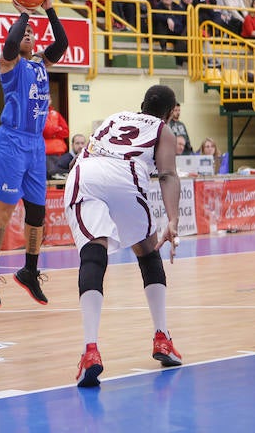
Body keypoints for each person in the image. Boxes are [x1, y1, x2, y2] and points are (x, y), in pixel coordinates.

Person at [66, 84, 183, 387]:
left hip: (87, 171)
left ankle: (90, 349)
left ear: (142, 103)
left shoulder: (115, 117)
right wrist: (172, 219)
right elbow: (168, 174)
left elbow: (89, 148)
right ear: (171, 113)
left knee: (93, 253)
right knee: (148, 250)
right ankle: (162, 337)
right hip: (126, 174)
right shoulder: (163, 130)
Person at [0, 0, 68, 308]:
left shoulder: (42, 64)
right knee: (5, 210)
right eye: (26, 33)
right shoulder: (10, 64)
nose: (31, 35)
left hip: (35, 145)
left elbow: (62, 44)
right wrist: (25, 13)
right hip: (10, 141)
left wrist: (49, 10)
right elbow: (8, 43)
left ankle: (29, 271)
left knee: (37, 213)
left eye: (33, 34)